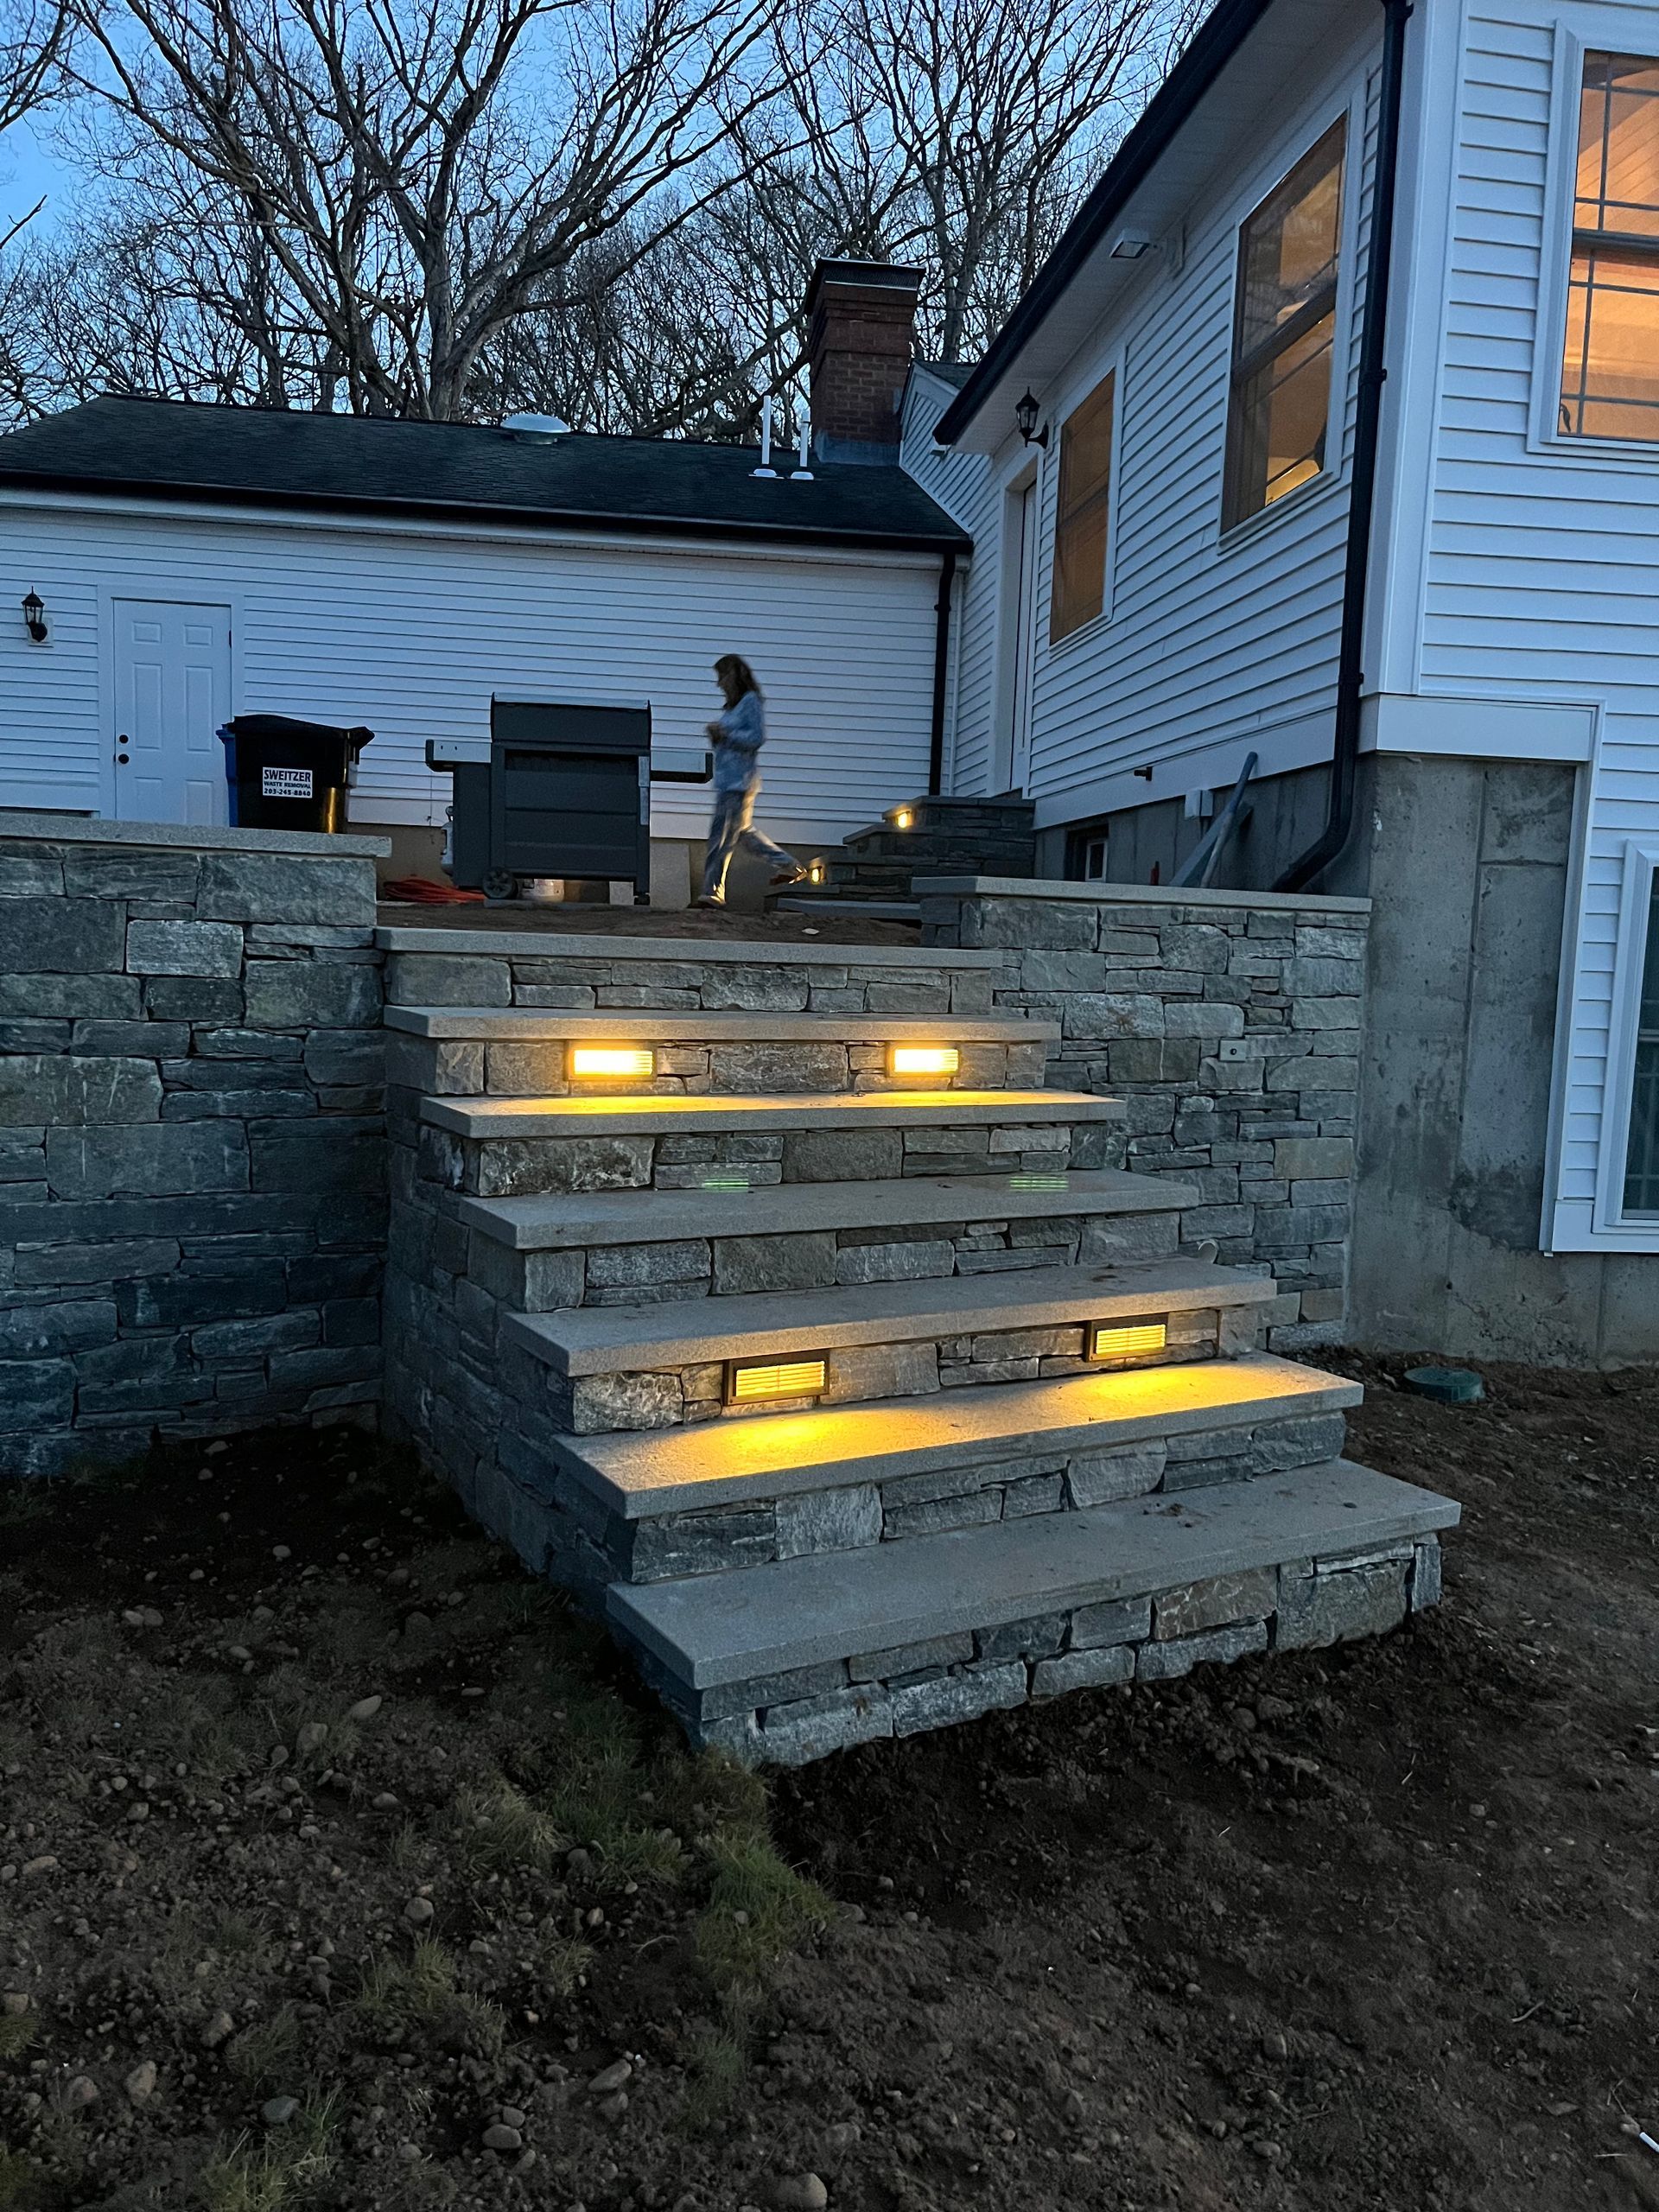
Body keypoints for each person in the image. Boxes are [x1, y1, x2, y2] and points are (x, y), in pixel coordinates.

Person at [695, 655, 808, 907]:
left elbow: (756, 737)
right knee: (743, 834)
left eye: (722, 677)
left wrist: (725, 733)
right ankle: (789, 866)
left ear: (734, 675)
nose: (719, 684)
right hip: (729, 781)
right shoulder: (733, 708)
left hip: (739, 783)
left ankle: (713, 892)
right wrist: (718, 736)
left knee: (721, 839)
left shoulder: (750, 702)